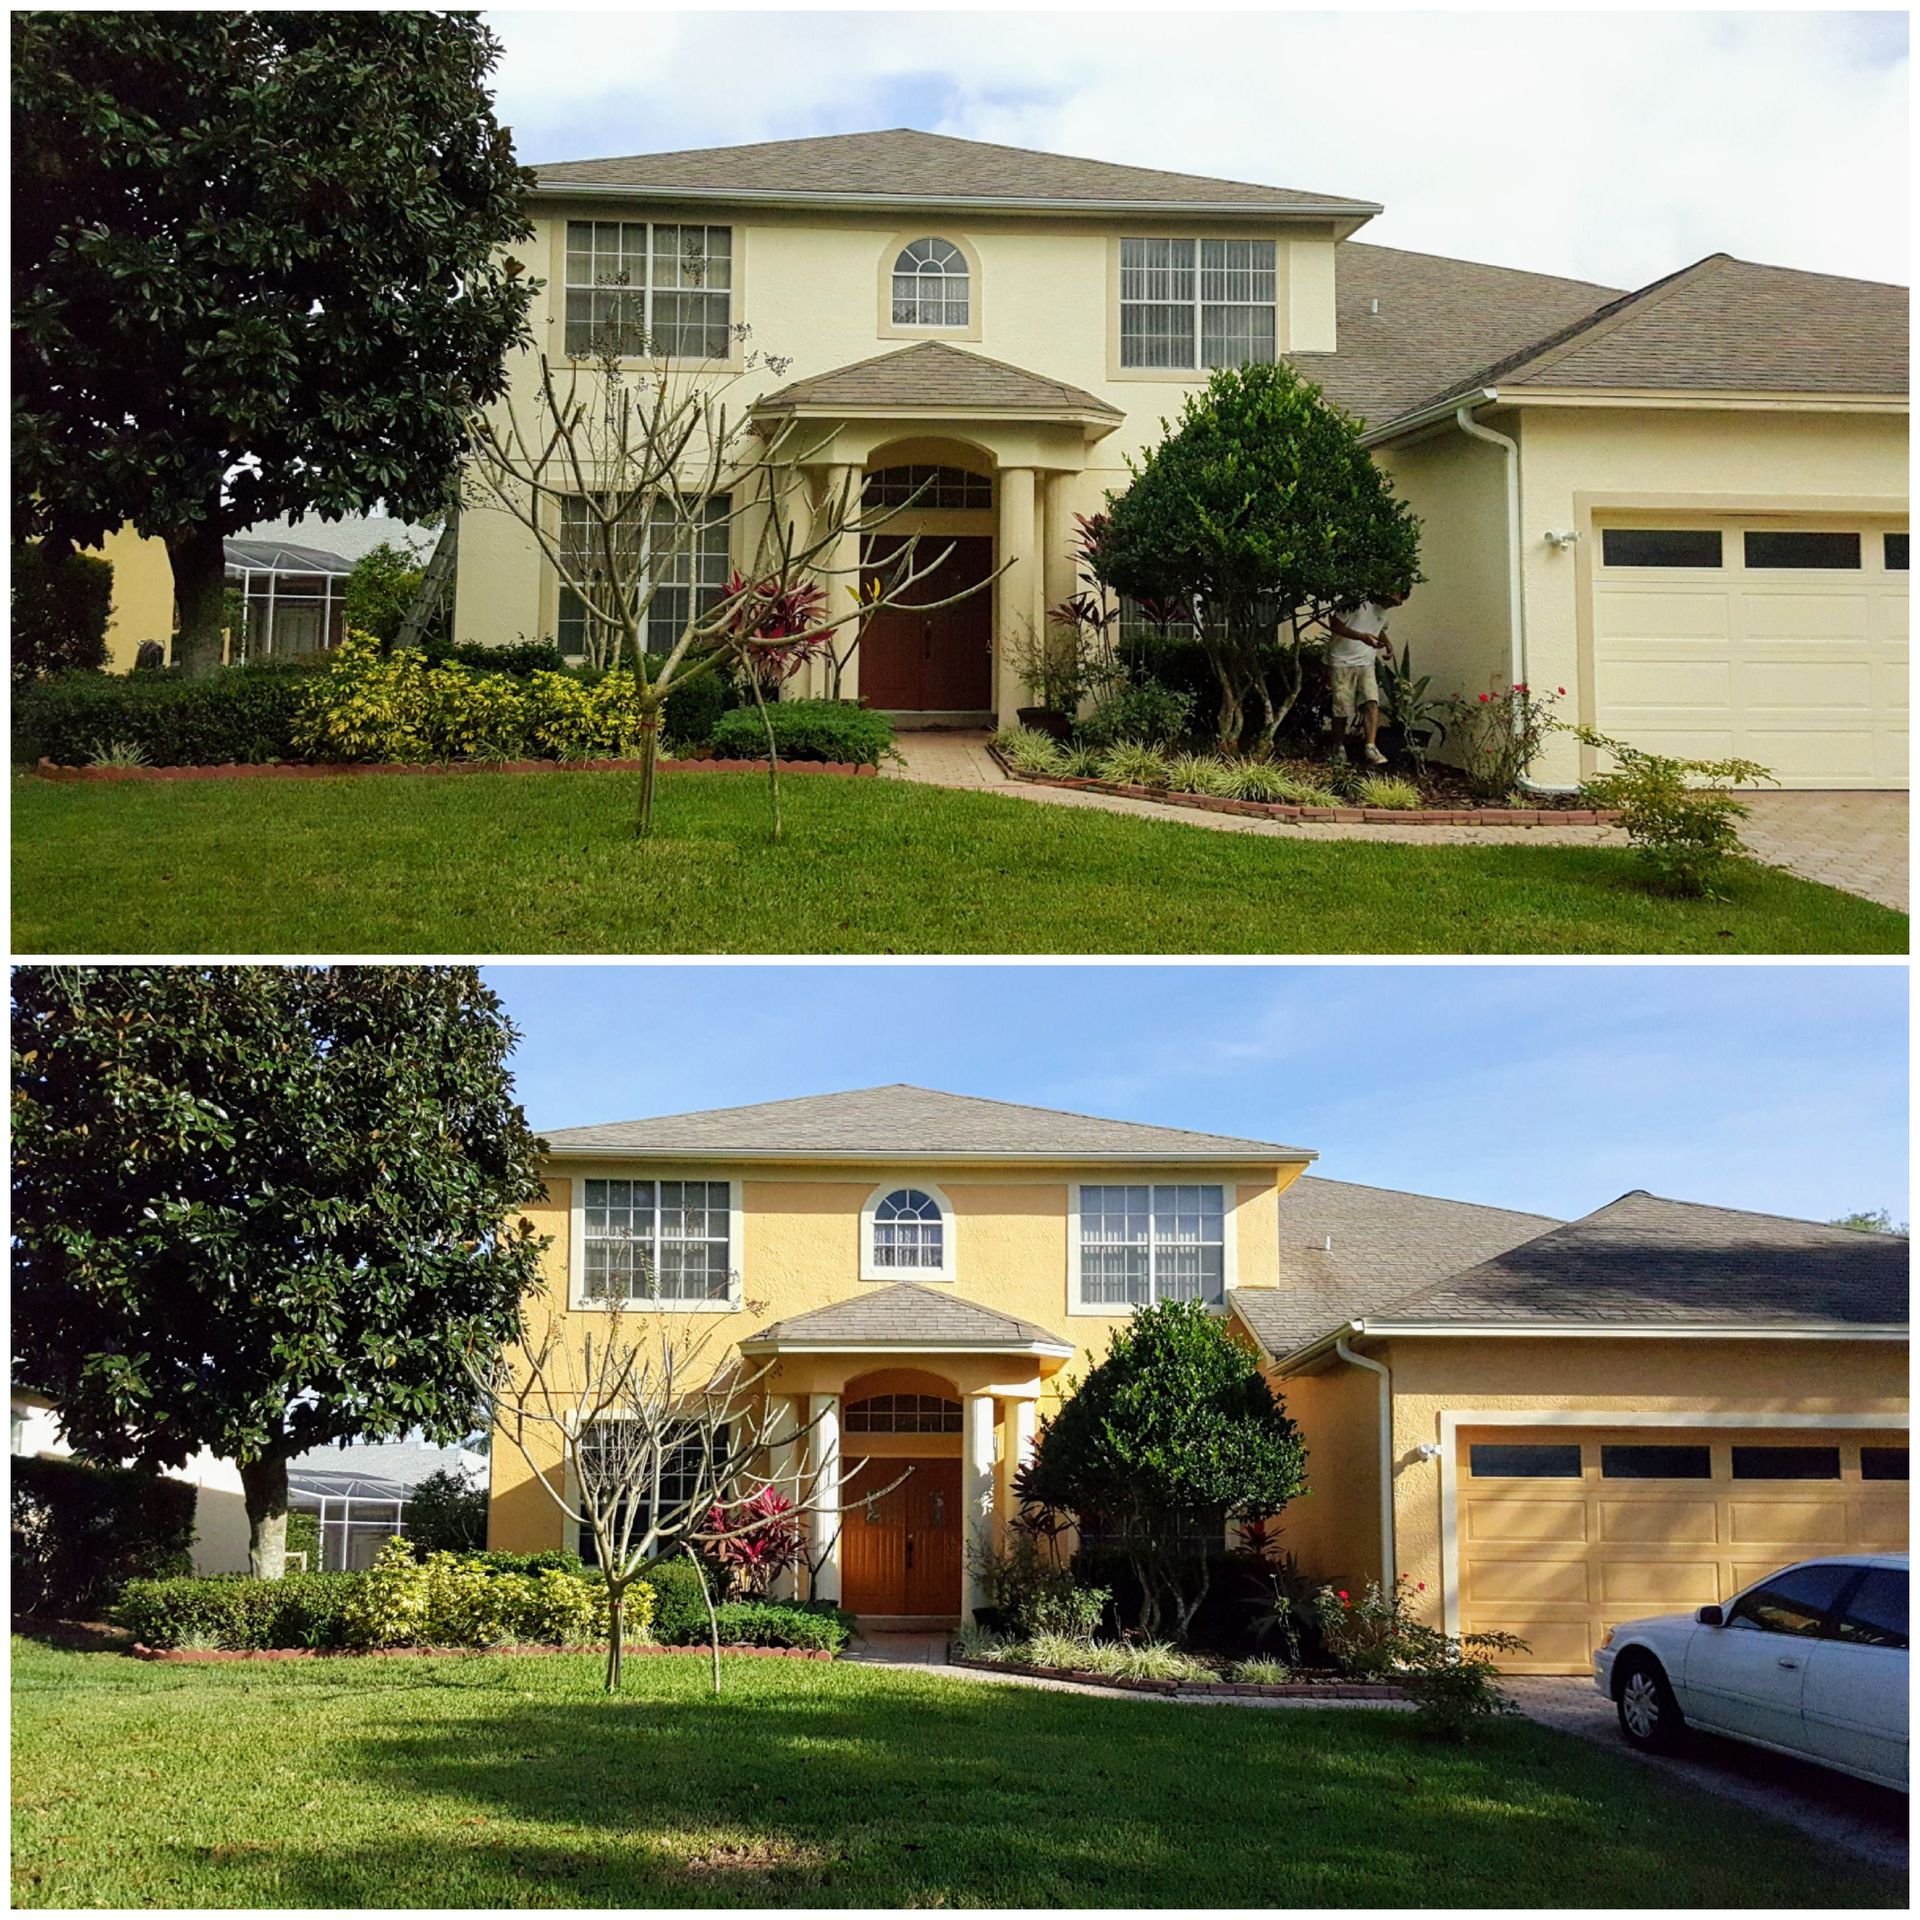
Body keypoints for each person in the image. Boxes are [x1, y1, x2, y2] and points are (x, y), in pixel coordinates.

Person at [1324, 591, 1407, 765]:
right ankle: (1338, 748)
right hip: (1342, 661)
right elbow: (1335, 625)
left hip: (1366, 662)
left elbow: (1379, 630)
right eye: (1393, 600)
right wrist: (1362, 637)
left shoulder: (1384, 613)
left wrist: (1388, 645)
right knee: (1342, 707)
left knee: (1371, 702)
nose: (1392, 605)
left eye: (1397, 604)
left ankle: (1370, 746)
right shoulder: (1356, 602)